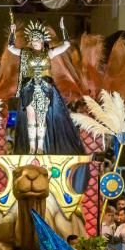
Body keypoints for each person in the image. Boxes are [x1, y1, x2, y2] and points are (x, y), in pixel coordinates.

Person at [8, 16, 84, 155]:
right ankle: (32, 147)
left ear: (42, 41)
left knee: (41, 118)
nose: (35, 42)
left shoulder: (48, 53)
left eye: (38, 40)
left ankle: (40, 147)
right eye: (33, 40)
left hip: (44, 88)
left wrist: (63, 29)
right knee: (31, 118)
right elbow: (11, 48)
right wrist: (12, 33)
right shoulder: (26, 53)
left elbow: (66, 45)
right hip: (29, 87)